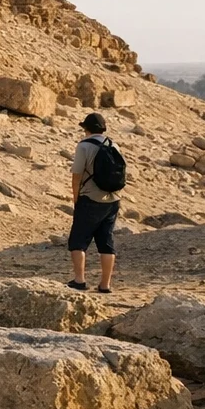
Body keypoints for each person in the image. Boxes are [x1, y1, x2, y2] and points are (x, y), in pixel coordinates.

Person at [68, 111, 123, 292]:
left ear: (86, 128)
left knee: (78, 241)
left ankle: (79, 280)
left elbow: (77, 176)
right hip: (113, 199)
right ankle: (105, 284)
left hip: (90, 198)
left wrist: (77, 200)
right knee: (106, 241)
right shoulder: (113, 144)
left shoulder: (84, 146)